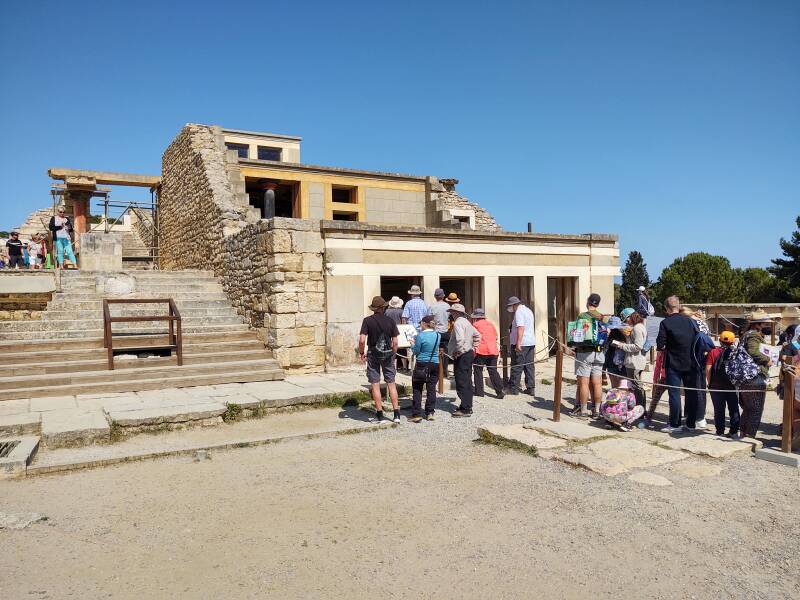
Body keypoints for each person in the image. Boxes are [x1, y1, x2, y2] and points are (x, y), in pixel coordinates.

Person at [656, 295, 700, 433]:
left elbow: (660, 344)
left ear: (667, 309)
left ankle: (675, 424)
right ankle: (691, 424)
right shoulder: (691, 322)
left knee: (674, 394)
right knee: (691, 393)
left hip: (673, 363)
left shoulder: (665, 323)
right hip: (691, 362)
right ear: (679, 306)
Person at [358, 296, 401, 424]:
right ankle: (396, 415)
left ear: (374, 309)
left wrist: (362, 353)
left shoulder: (367, 321)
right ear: (383, 308)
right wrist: (393, 353)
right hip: (388, 355)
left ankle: (380, 415)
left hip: (373, 354)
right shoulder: (390, 321)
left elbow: (361, 340)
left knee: (375, 384)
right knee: (391, 383)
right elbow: (395, 341)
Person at [571, 293, 609, 418]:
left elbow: (578, 334)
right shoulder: (602, 317)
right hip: (599, 353)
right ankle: (597, 410)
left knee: (583, 382)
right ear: (597, 304)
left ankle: (583, 411)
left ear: (588, 302)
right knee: (597, 383)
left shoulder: (582, 316)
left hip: (585, 353)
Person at [738, 311, 773, 439]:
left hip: (746, 377)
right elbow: (753, 351)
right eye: (765, 323)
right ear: (758, 324)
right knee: (756, 409)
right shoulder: (754, 336)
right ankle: (749, 437)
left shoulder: (746, 334)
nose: (767, 325)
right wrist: (767, 360)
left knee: (748, 408)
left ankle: (743, 434)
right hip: (754, 376)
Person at [447, 303, 480, 417]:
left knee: (462, 381)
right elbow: (477, 335)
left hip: (462, 354)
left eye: (452, 312)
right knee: (467, 380)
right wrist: (475, 347)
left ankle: (466, 408)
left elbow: (460, 340)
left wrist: (457, 351)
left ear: (456, 313)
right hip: (468, 352)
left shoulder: (458, 323)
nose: (451, 314)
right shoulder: (467, 322)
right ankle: (466, 405)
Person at [705, 330, 739, 437]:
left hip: (716, 385)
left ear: (720, 341)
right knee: (733, 408)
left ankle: (720, 431)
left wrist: (709, 384)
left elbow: (708, 369)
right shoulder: (736, 352)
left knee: (718, 409)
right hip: (731, 385)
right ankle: (733, 431)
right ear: (733, 341)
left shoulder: (713, 352)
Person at [612, 308, 647, 407]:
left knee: (636, 387)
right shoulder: (640, 326)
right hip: (634, 361)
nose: (626, 322)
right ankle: (639, 407)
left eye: (626, 319)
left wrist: (621, 345)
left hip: (634, 362)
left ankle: (640, 409)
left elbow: (638, 346)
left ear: (630, 317)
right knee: (636, 386)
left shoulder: (637, 328)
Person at [410, 315, 440, 422]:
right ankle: (430, 412)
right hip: (435, 363)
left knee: (417, 388)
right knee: (431, 388)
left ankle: (416, 414)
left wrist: (412, 345)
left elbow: (416, 351)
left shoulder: (420, 336)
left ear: (423, 324)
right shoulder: (438, 335)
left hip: (422, 363)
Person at [471, 308, 504, 399]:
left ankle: (479, 392)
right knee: (493, 371)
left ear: (476, 317)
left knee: (478, 371)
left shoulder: (475, 325)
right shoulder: (491, 324)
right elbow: (496, 336)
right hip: (493, 350)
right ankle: (500, 391)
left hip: (481, 350)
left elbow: (472, 337)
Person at [506, 296, 536, 396]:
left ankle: (513, 388)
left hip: (522, 343)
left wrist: (518, 343)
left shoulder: (519, 312)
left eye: (510, 306)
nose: (510, 308)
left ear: (514, 305)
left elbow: (521, 328)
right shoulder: (528, 310)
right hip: (530, 341)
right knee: (529, 366)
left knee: (517, 365)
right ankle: (530, 387)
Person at [428, 288, 451, 376]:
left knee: (434, 352)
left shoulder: (432, 306)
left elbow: (429, 319)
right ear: (443, 296)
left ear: (435, 296)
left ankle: (435, 372)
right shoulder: (448, 306)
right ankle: (444, 371)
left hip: (436, 332)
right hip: (445, 331)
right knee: (445, 353)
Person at [604, 316, 628, 388]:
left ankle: (615, 399)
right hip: (624, 364)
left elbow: (606, 354)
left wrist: (603, 369)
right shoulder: (626, 338)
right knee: (623, 387)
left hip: (611, 364)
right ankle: (623, 399)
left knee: (614, 387)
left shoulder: (608, 340)